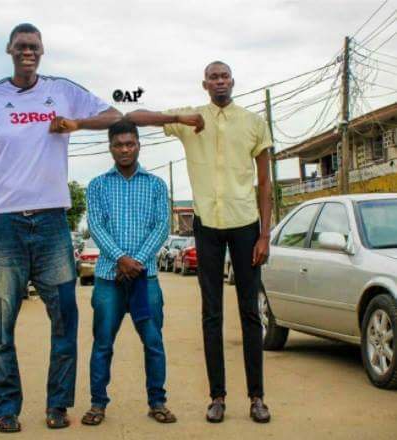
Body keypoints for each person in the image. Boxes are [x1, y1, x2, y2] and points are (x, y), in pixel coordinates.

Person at [0, 23, 121, 433]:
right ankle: (5, 408)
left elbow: (114, 116)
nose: (27, 52)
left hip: (52, 223)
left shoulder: (62, 90)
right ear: (9, 50)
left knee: (65, 318)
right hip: (2, 225)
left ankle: (57, 405)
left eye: (33, 46)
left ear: (42, 50)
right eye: (20, 46)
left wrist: (75, 124)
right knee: (0, 325)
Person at [126, 61, 273, 423]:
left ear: (233, 81)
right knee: (211, 314)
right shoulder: (191, 119)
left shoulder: (254, 123)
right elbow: (135, 116)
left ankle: (256, 397)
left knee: (250, 313)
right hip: (207, 226)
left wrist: (265, 235)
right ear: (204, 84)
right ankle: (217, 397)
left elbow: (265, 182)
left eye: (224, 76)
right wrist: (182, 119)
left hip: (245, 226)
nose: (219, 81)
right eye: (213, 77)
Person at [79, 120, 179, 426]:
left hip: (145, 280)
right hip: (108, 280)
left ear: (138, 145)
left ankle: (158, 402)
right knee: (102, 344)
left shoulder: (156, 185)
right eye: (119, 145)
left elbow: (161, 227)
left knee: (153, 342)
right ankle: (97, 404)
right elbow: (96, 226)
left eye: (130, 144)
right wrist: (121, 259)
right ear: (110, 148)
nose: (125, 149)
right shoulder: (97, 185)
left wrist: (135, 262)